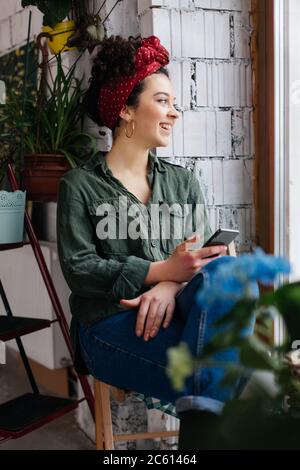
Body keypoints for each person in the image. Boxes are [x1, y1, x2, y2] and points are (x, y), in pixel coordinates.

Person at [56, 35, 253, 413]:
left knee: (230, 271)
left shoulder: (183, 182)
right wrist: (161, 270)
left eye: (174, 103)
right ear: (126, 111)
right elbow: (80, 271)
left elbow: (206, 260)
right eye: (162, 101)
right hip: (108, 324)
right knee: (223, 375)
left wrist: (169, 283)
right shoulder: (79, 185)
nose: (175, 112)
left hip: (178, 310)